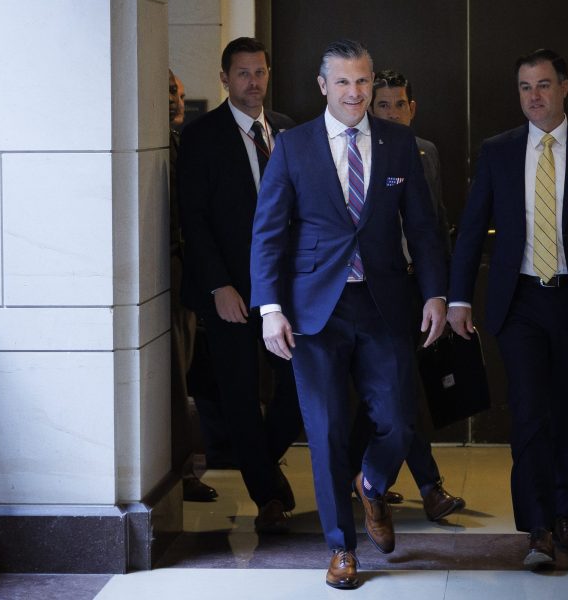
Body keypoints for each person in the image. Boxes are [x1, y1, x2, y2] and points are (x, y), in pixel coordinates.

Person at [250, 39, 449, 590]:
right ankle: (341, 548)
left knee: (399, 420)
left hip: (384, 304)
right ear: (323, 86)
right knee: (326, 430)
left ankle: (372, 482)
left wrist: (435, 293)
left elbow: (423, 227)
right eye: (343, 81)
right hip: (313, 311)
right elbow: (268, 232)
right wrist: (270, 308)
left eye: (362, 81)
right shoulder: (293, 146)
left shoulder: (399, 143)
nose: (355, 92)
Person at [447, 48, 568, 569]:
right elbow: (472, 229)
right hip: (520, 300)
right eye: (524, 87)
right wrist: (459, 297)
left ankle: (562, 512)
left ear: (563, 87)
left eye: (542, 85)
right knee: (530, 410)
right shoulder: (499, 151)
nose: (533, 96)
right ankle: (536, 527)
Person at [178, 37, 301, 533]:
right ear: (225, 78)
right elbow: (194, 218)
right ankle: (267, 496)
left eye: (260, 72)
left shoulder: (287, 130)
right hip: (229, 290)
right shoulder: (201, 135)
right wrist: (218, 286)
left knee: (300, 384)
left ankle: (261, 461)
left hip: (285, 289)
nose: (254, 82)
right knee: (240, 394)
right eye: (243, 73)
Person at [345, 69, 465, 522]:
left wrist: (444, 292)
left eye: (400, 105)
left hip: (419, 286)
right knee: (399, 389)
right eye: (383, 105)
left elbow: (433, 223)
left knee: (401, 390)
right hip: (376, 290)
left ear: (412, 109)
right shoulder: (358, 153)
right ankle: (426, 485)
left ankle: (364, 475)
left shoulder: (425, 152)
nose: (392, 113)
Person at [168, 69, 217, 503]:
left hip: (182, 273)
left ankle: (184, 471)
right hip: (164, 271)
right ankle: (182, 473)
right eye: (169, 92)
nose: (177, 101)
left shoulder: (181, 141)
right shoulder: (158, 145)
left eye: (180, 94)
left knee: (182, 374)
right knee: (174, 381)